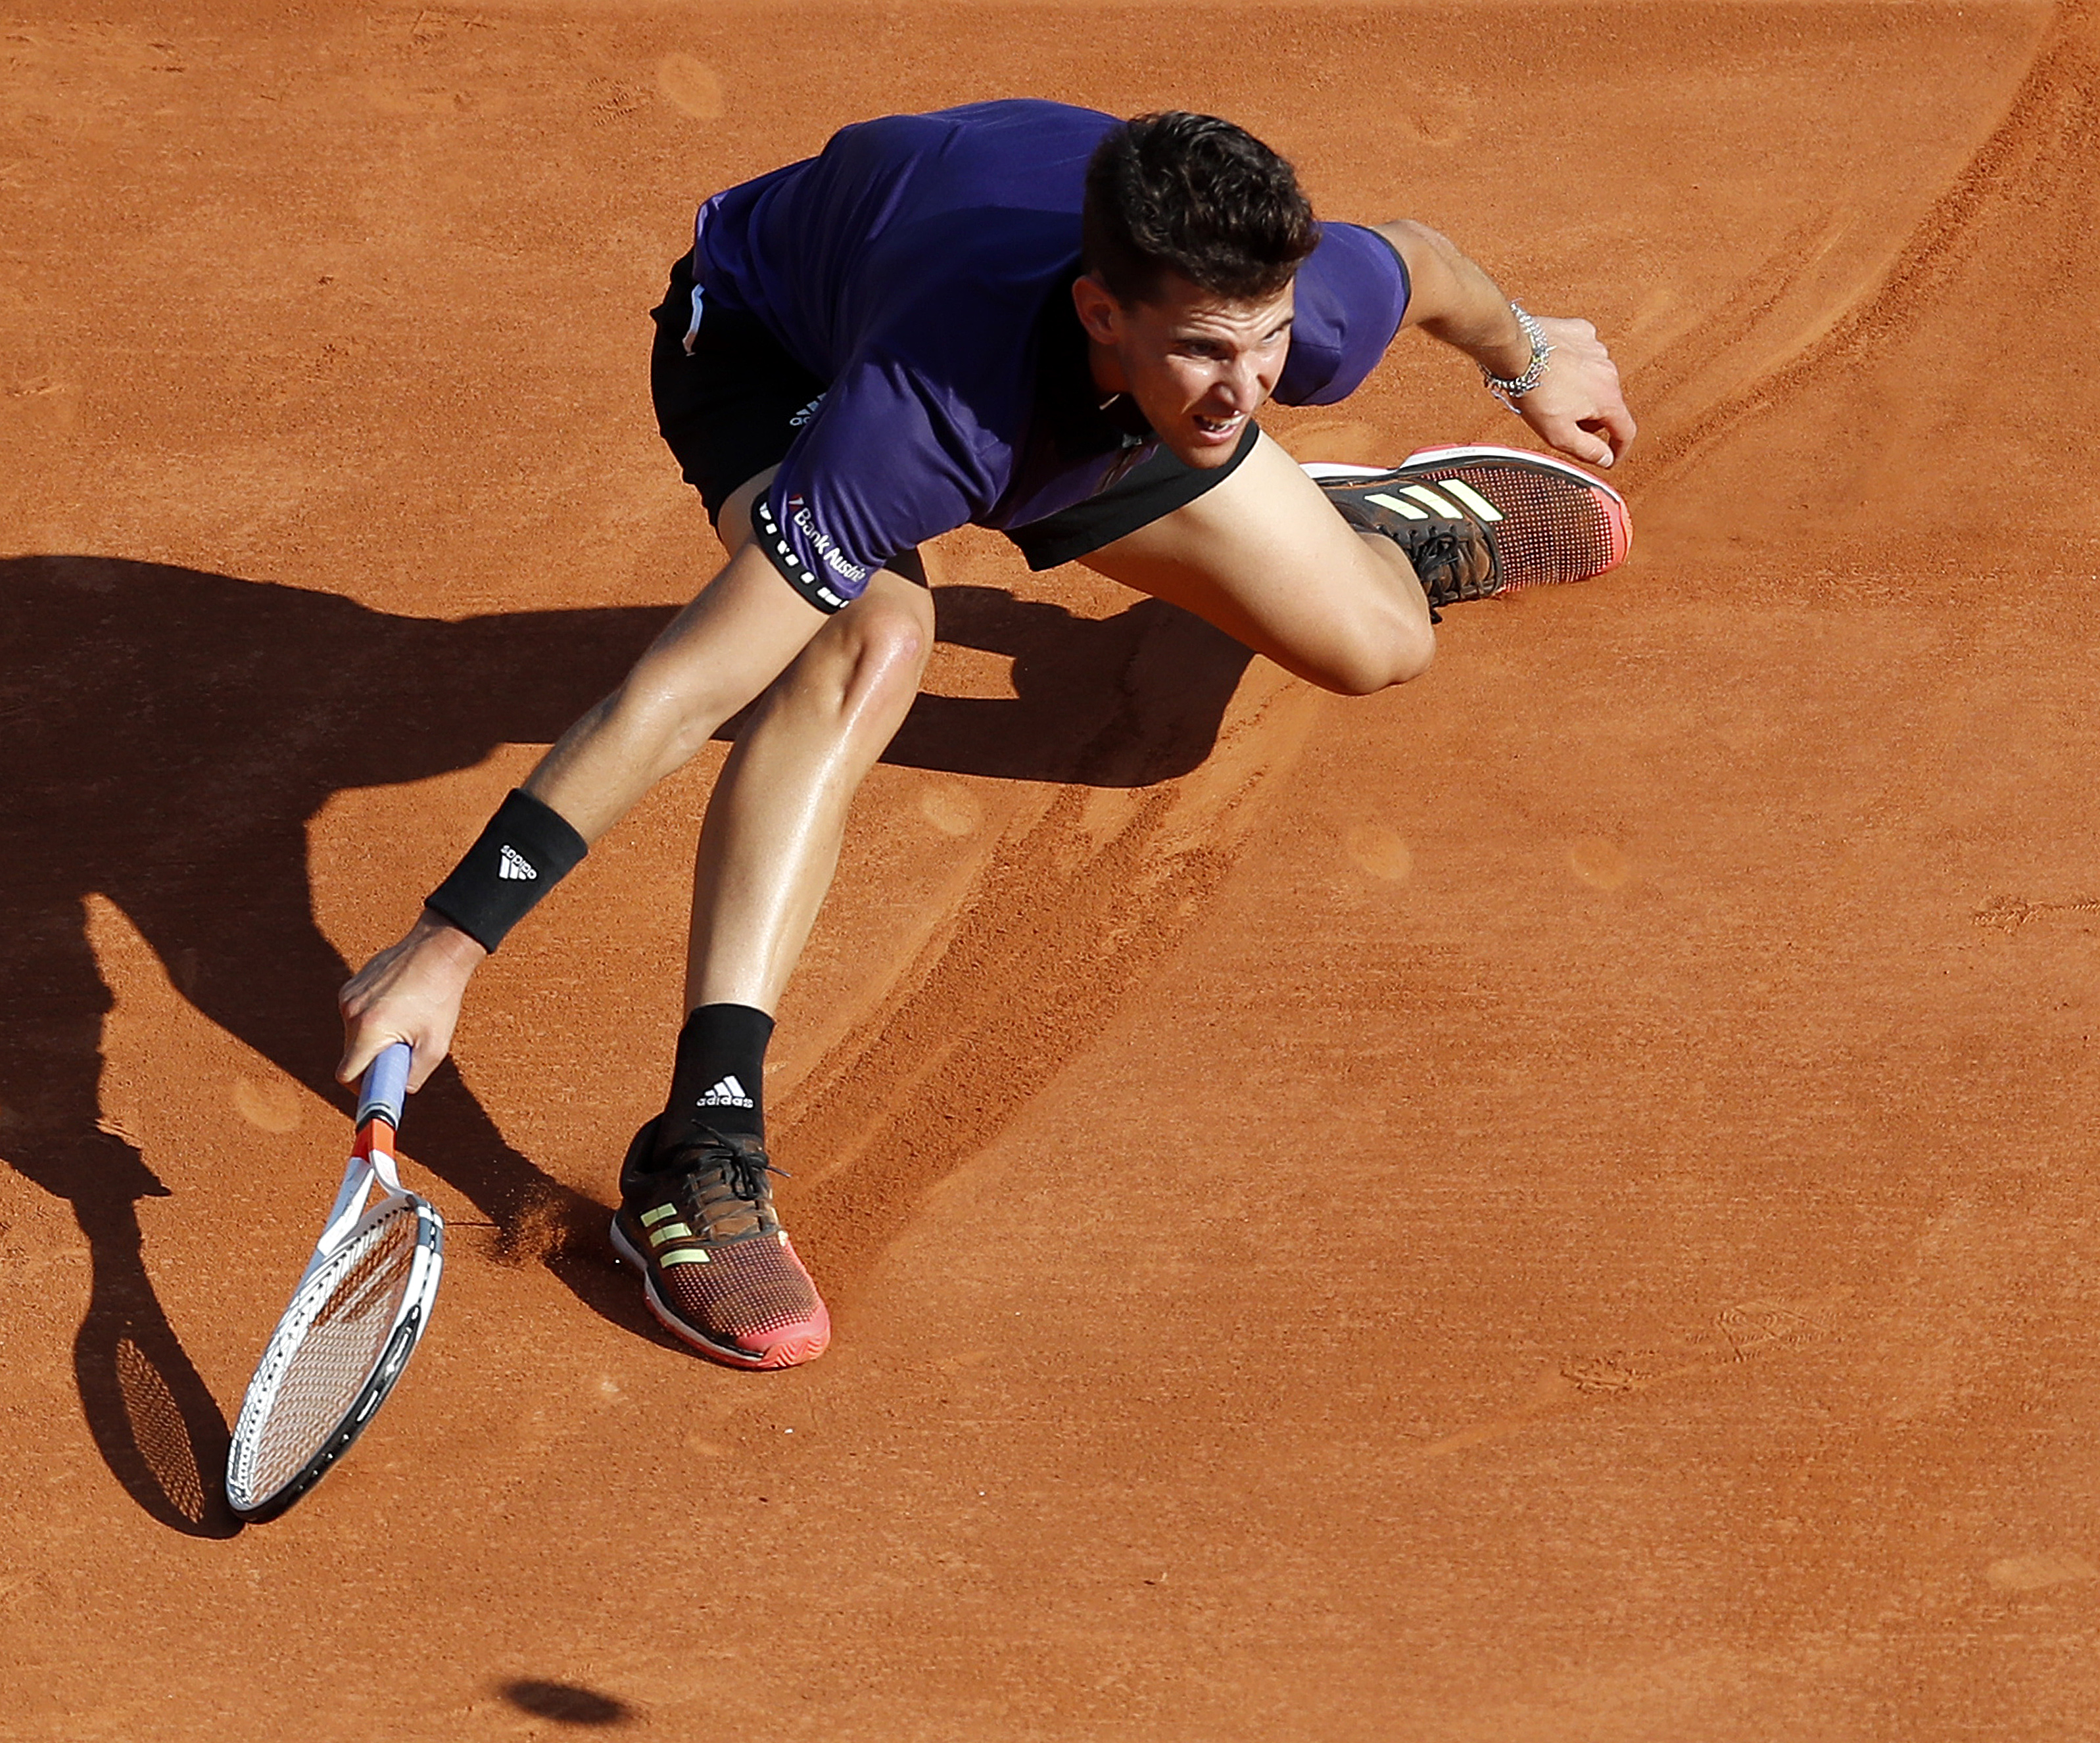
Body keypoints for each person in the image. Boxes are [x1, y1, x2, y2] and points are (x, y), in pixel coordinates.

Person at [332, 101, 1638, 1370]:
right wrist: (448, 944)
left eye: (1271, 343)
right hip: (786, 350)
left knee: (1379, 643)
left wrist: (1529, 351)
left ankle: (1340, 521)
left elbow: (1418, 256)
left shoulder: (1252, 327)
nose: (1251, 387)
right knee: (867, 638)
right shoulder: (922, 411)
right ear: (1103, 311)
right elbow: (680, 690)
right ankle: (703, 1142)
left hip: (1092, 407)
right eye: (1210, 351)